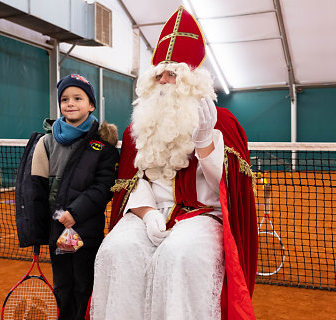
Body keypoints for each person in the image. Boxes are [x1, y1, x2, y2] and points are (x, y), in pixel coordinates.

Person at [89, 7, 257, 320]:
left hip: (201, 214)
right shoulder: (138, 127)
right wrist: (147, 212)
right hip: (149, 212)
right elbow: (134, 183)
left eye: (172, 74)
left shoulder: (221, 122)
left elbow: (226, 186)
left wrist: (205, 143)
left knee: (178, 255)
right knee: (116, 251)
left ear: (191, 80)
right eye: (159, 75)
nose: (164, 81)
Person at [30, 73, 119, 319]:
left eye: (78, 98)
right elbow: (36, 189)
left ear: (91, 105)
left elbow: (103, 188)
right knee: (62, 286)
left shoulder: (103, 145)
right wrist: (39, 229)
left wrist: (75, 213)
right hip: (55, 230)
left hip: (85, 230)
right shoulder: (46, 142)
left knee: (84, 285)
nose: (70, 103)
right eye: (65, 99)